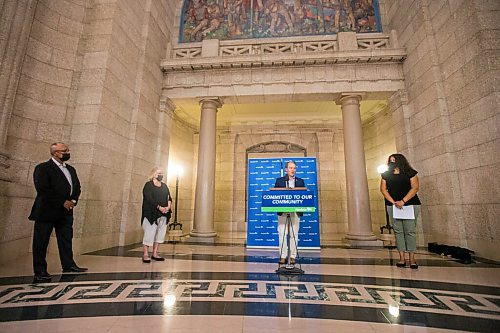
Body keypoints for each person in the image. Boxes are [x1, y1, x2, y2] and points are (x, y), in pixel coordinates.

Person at [28, 142, 87, 283]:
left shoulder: (71, 169)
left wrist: (73, 200)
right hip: (46, 211)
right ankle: (40, 270)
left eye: (67, 150)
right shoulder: (43, 168)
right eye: (64, 150)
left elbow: (77, 187)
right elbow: (43, 189)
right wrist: (62, 201)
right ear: (54, 153)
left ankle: (68, 265)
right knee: (41, 242)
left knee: (66, 239)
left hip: (66, 212)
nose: (67, 152)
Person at [380, 153, 422, 269]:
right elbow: (383, 189)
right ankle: (402, 258)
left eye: (394, 160)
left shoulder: (410, 173)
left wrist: (403, 201)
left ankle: (412, 258)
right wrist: (393, 202)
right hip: (393, 205)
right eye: (390, 161)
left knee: (410, 231)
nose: (392, 162)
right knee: (398, 232)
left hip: (410, 204)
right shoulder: (386, 174)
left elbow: (415, 188)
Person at [274, 161, 305, 265]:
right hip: (283, 212)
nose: (293, 170)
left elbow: (303, 196)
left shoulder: (300, 181)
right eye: (291, 168)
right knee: (282, 234)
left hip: (295, 212)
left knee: (294, 234)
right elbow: (275, 195)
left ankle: (292, 256)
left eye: (294, 168)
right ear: (286, 169)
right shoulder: (279, 181)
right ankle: (283, 256)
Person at [141, 167, 172, 263]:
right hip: (151, 213)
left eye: (162, 173)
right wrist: (159, 207)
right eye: (159, 173)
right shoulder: (148, 185)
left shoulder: (164, 186)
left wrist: (168, 207)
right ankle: (145, 254)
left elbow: (169, 197)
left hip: (163, 214)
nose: (161, 175)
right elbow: (149, 198)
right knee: (149, 233)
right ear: (154, 174)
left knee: (160, 234)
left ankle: (155, 253)